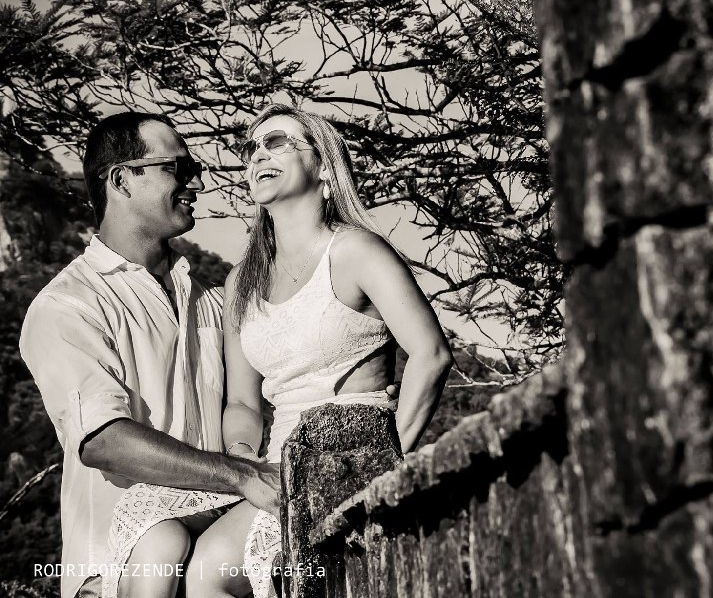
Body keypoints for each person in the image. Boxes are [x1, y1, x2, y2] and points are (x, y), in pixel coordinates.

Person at [107, 104, 454, 598]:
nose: (257, 156)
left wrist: (384, 469)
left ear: (324, 168)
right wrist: (244, 461)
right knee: (167, 544)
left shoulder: (356, 250)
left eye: (277, 143)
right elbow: (242, 403)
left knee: (217, 573)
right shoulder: (241, 282)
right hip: (277, 466)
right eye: (251, 148)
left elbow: (431, 355)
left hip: (351, 451)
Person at [18, 112, 281, 598]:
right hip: (115, 574)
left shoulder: (213, 301)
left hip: (213, 563)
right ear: (121, 180)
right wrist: (242, 475)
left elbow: (250, 404)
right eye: (177, 169)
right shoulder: (68, 305)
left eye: (193, 169)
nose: (195, 183)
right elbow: (103, 441)